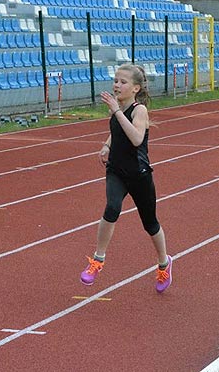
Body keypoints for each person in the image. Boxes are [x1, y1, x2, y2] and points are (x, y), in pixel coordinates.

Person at [80, 63, 172, 292]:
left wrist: (117, 111)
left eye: (123, 82)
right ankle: (97, 260)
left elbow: (136, 138)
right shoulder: (118, 108)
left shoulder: (139, 110)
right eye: (115, 80)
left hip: (139, 175)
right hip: (116, 171)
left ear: (135, 88)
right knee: (112, 208)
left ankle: (164, 263)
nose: (116, 85)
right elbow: (117, 132)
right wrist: (106, 145)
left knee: (150, 224)